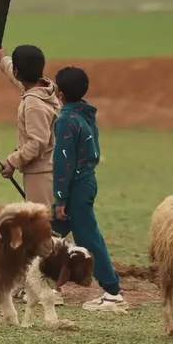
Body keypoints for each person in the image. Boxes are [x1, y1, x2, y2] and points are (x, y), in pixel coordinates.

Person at [51, 66, 126, 311]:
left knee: (88, 238)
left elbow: (64, 162)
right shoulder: (85, 113)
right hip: (86, 181)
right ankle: (42, 285)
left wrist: (61, 199)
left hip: (76, 187)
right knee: (51, 234)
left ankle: (113, 292)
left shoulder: (65, 121)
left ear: (59, 94)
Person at [0, 44, 60, 206]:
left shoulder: (33, 105)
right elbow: (17, 78)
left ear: (18, 72)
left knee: (45, 226)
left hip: (41, 174)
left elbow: (38, 143)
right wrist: (3, 59)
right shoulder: (45, 89)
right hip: (51, 169)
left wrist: (12, 162)